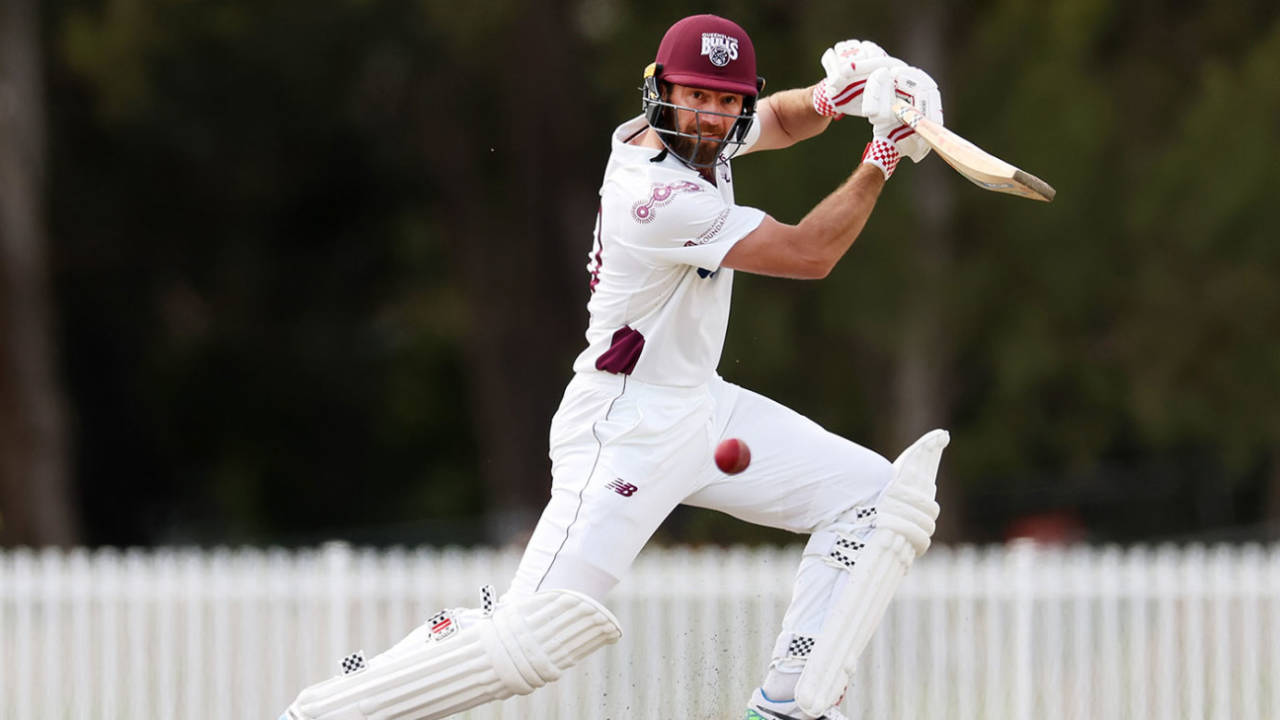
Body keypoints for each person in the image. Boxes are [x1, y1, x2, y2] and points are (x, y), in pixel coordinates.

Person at [280, 14, 949, 720]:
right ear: (659, 89)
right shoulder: (654, 195)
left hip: (698, 405)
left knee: (877, 500)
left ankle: (787, 701)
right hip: (623, 426)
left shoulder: (700, 141)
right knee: (532, 637)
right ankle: (329, 712)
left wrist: (830, 97)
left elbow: (778, 121)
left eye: (727, 102)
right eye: (697, 96)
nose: (713, 117)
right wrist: (884, 152)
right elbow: (810, 254)